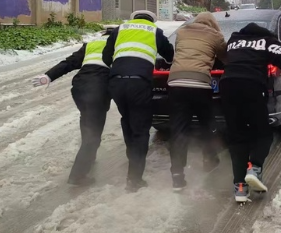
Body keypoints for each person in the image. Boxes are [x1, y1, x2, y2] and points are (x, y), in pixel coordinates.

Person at [220, 22, 281, 203]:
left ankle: (240, 189)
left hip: (227, 86)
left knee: (237, 137)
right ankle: (255, 168)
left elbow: (223, 58)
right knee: (263, 133)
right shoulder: (266, 41)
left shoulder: (234, 40)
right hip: (251, 85)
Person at [31, 26, 116, 185]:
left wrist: (49, 76)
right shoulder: (118, 44)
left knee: (88, 123)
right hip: (98, 88)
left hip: (80, 87)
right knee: (93, 134)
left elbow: (69, 62)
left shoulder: (92, 44)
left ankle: (88, 158)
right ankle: (78, 175)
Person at [102, 10, 174, 192]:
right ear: (152, 20)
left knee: (127, 120)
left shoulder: (120, 29)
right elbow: (169, 55)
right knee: (141, 128)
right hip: (140, 83)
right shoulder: (154, 31)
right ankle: (134, 179)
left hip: (116, 82)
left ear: (134, 18)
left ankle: (132, 158)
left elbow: (105, 57)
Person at [167, 12, 227, 191]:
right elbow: (225, 58)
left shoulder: (182, 32)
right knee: (207, 124)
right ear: (213, 24)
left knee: (178, 130)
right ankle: (210, 159)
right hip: (200, 84)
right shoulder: (216, 36)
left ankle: (177, 177)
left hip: (176, 83)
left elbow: (183, 53)